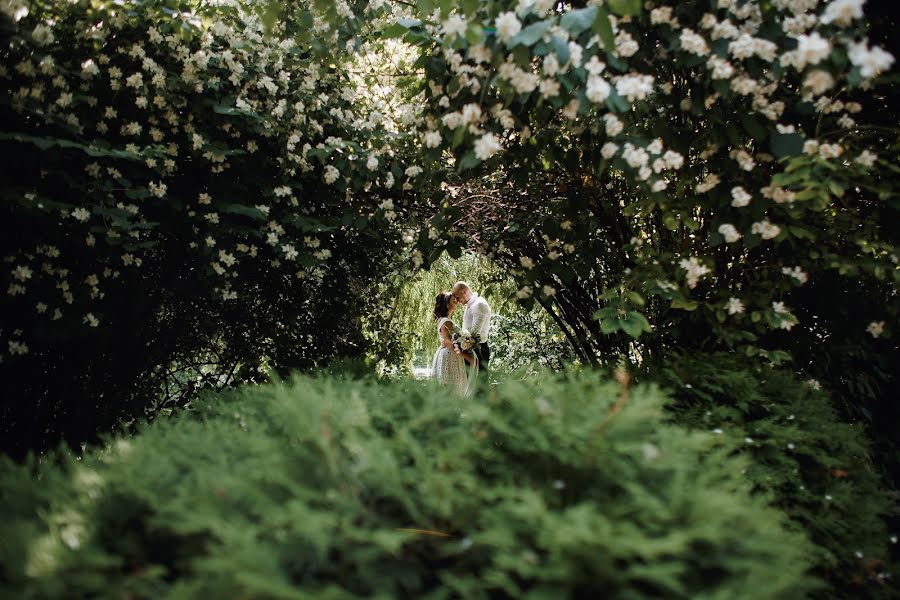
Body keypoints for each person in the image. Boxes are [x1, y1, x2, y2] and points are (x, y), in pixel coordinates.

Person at [430, 291, 474, 396]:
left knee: (450, 387)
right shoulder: (446, 321)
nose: (456, 302)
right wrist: (463, 344)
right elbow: (447, 341)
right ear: (447, 304)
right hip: (449, 355)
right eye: (453, 301)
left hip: (449, 354)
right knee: (451, 387)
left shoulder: (445, 320)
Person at [451, 281, 492, 375]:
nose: (457, 301)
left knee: (478, 385)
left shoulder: (479, 304)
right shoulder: (472, 304)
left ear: (464, 292)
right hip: (472, 349)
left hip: (478, 350)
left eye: (457, 297)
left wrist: (458, 343)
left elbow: (474, 334)